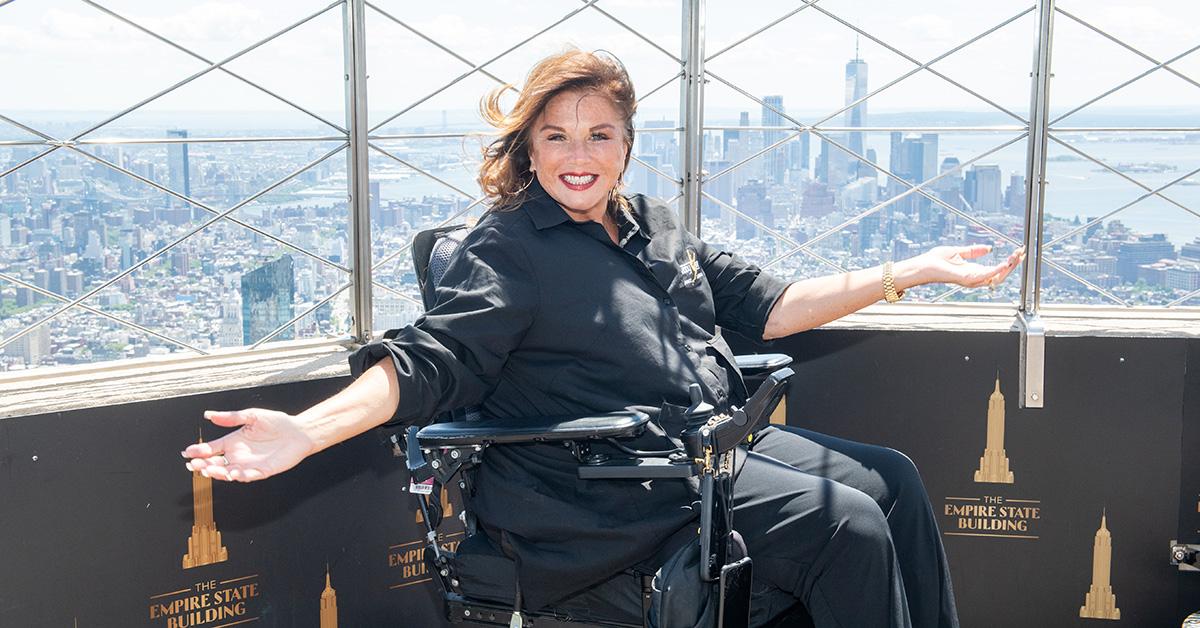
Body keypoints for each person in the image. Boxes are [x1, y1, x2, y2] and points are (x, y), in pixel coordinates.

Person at [182, 49, 1022, 627]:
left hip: (703, 450)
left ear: (626, 145)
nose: (577, 155)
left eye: (598, 135)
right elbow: (434, 359)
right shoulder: (509, 248)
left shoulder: (655, 227)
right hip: (609, 486)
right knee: (850, 526)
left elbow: (770, 305)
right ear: (530, 147)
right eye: (555, 136)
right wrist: (308, 428)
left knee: (895, 482)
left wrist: (913, 269)